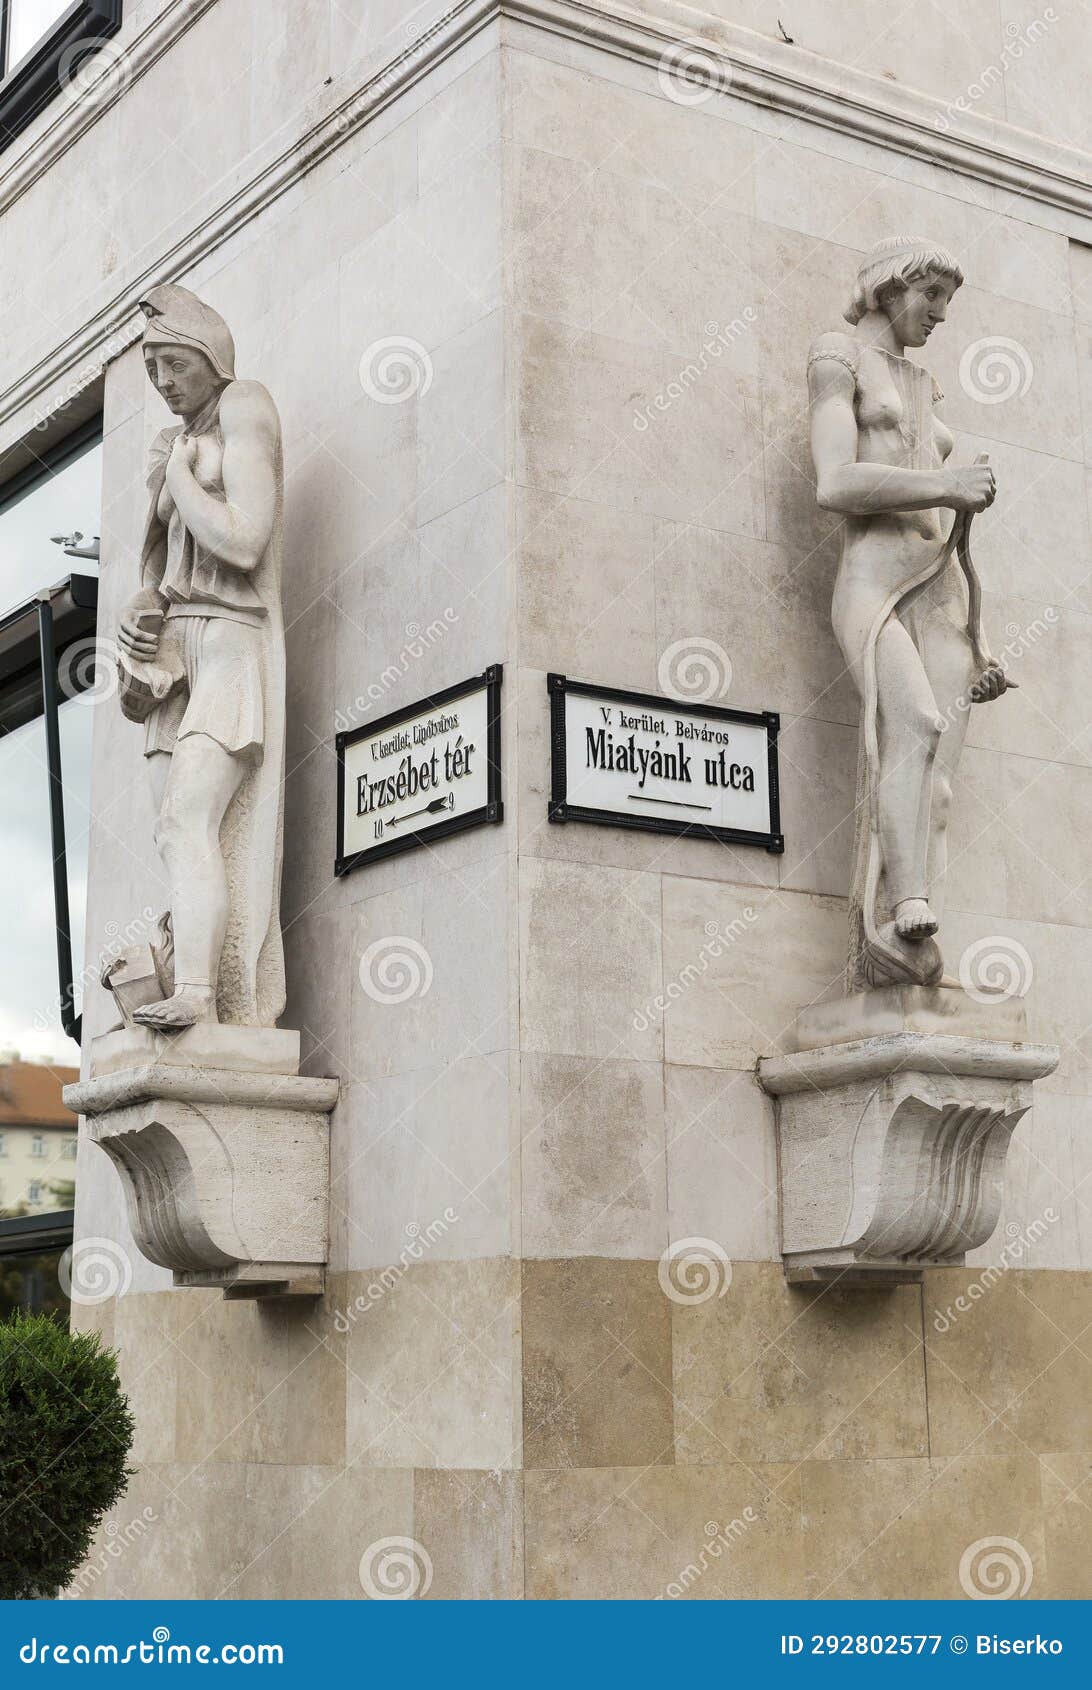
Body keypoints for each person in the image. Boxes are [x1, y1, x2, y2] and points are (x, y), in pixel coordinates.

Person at [807, 236, 1011, 988]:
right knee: (915, 724)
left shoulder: (925, 383)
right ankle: (903, 902)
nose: (940, 317)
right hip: (873, 584)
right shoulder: (837, 356)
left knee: (943, 787)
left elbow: (958, 540)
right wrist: (946, 485)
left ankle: (917, 944)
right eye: (933, 300)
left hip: (941, 593)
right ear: (895, 287)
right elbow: (834, 483)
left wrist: (981, 641)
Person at [115, 284, 286, 1029]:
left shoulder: (244, 406)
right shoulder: (167, 443)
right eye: (153, 373)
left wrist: (183, 478)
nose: (164, 384)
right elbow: (150, 569)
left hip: (228, 638)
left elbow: (246, 540)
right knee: (174, 832)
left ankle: (200, 997)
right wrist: (135, 611)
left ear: (208, 355)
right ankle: (182, 983)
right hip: (171, 654)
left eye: (173, 364)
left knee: (190, 817)